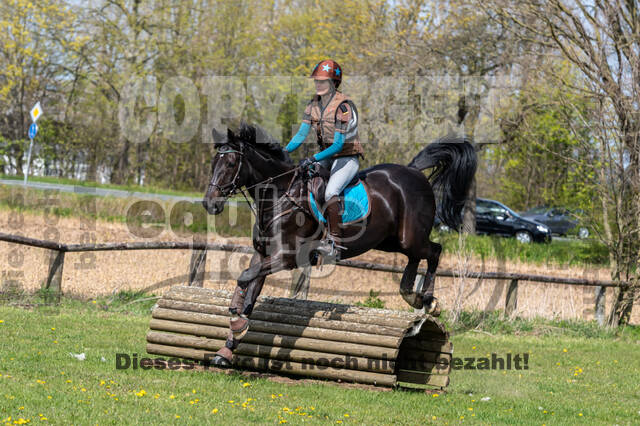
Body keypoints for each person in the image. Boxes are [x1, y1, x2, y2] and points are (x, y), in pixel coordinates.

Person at [285, 59, 364, 259]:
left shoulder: (344, 107)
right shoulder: (312, 105)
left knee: (330, 192)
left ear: (333, 83)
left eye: (322, 81)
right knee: (305, 184)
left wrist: (312, 158)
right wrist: (283, 152)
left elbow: (338, 145)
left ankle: (335, 242)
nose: (318, 85)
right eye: (316, 81)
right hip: (328, 157)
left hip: (346, 157)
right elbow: (300, 135)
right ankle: (312, 235)